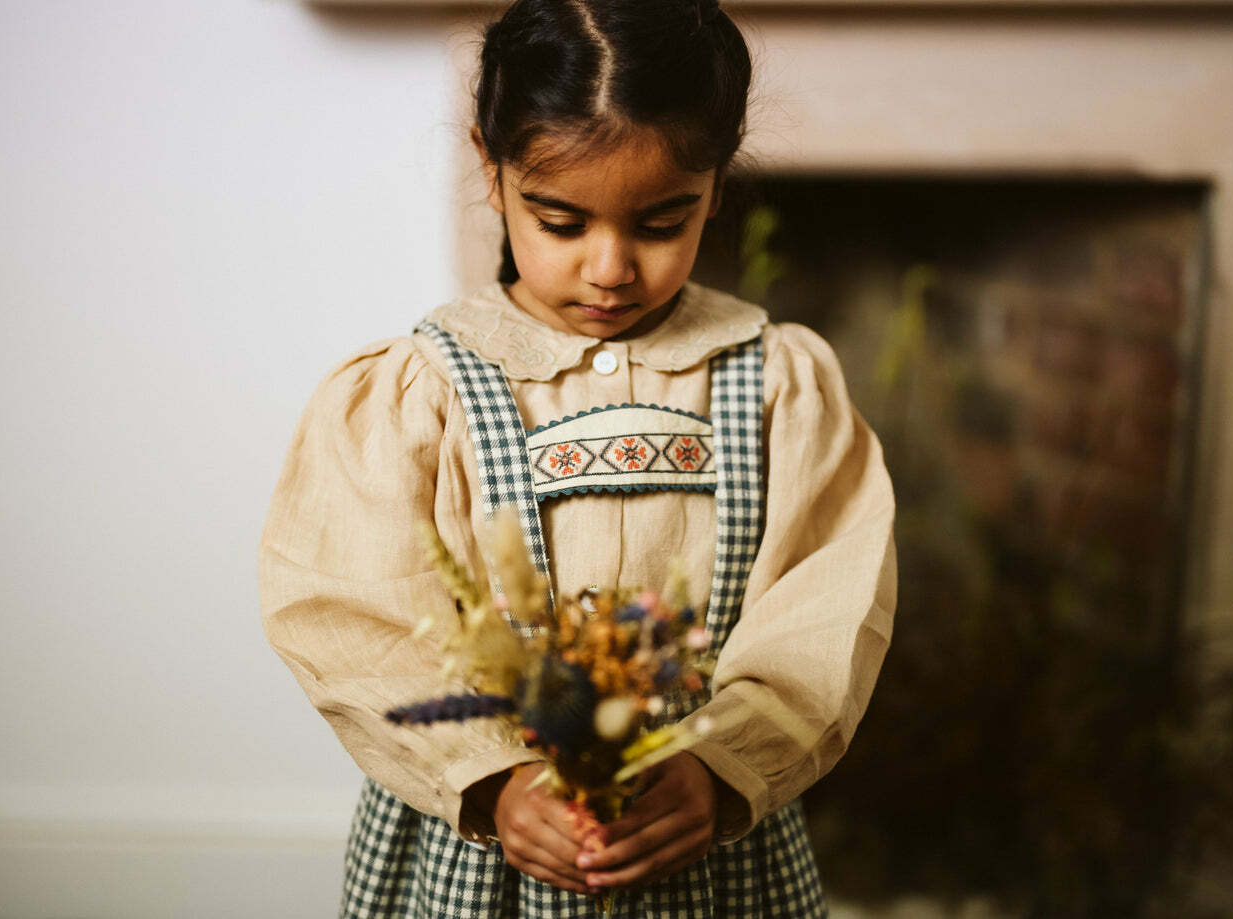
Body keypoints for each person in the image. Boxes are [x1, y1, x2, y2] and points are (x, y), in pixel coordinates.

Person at [258, 0, 896, 916]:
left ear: (716, 185)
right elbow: (352, 615)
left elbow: (826, 605)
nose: (609, 267)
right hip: (485, 852)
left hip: (700, 845)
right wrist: (490, 777)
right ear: (493, 169)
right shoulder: (415, 396)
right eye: (560, 222)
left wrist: (723, 764)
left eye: (662, 222)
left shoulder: (777, 383)